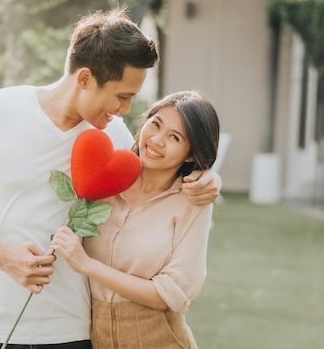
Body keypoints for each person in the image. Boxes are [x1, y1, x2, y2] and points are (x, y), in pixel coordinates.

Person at [0, 8, 221, 349]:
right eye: (122, 96)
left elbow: (161, 178)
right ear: (85, 78)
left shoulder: (116, 138)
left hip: (71, 332)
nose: (127, 110)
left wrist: (209, 179)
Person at [51, 90, 220, 349]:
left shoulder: (192, 202)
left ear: (190, 154)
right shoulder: (106, 183)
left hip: (161, 339)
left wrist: (86, 265)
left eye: (174, 137)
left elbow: (169, 295)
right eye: (156, 124)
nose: (157, 140)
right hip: (96, 337)